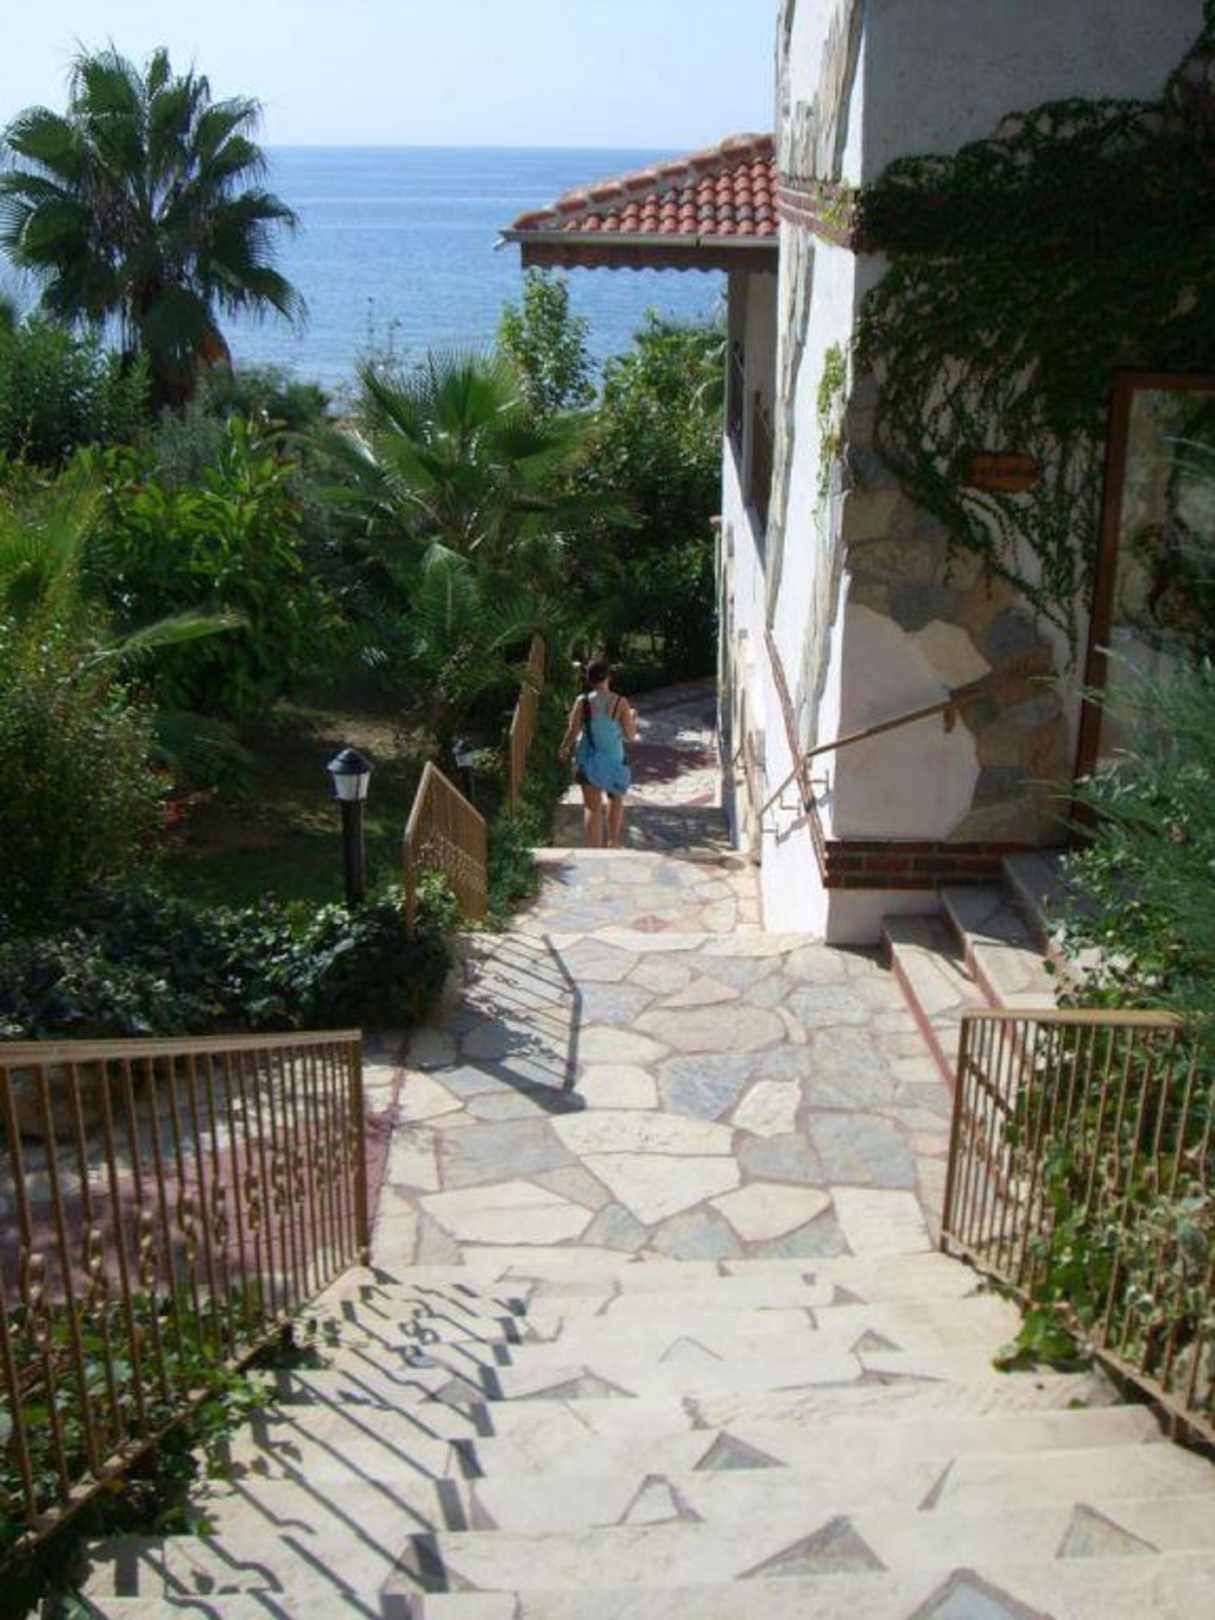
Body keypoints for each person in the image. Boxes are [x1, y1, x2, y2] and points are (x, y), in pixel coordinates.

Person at [558, 659, 638, 847]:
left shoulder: (582, 701)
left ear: (589, 679)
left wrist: (564, 747)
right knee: (615, 799)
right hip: (615, 761)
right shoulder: (620, 702)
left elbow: (573, 731)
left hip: (588, 761)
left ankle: (593, 851)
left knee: (592, 808)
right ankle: (613, 843)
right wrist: (633, 717)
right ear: (609, 677)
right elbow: (630, 736)